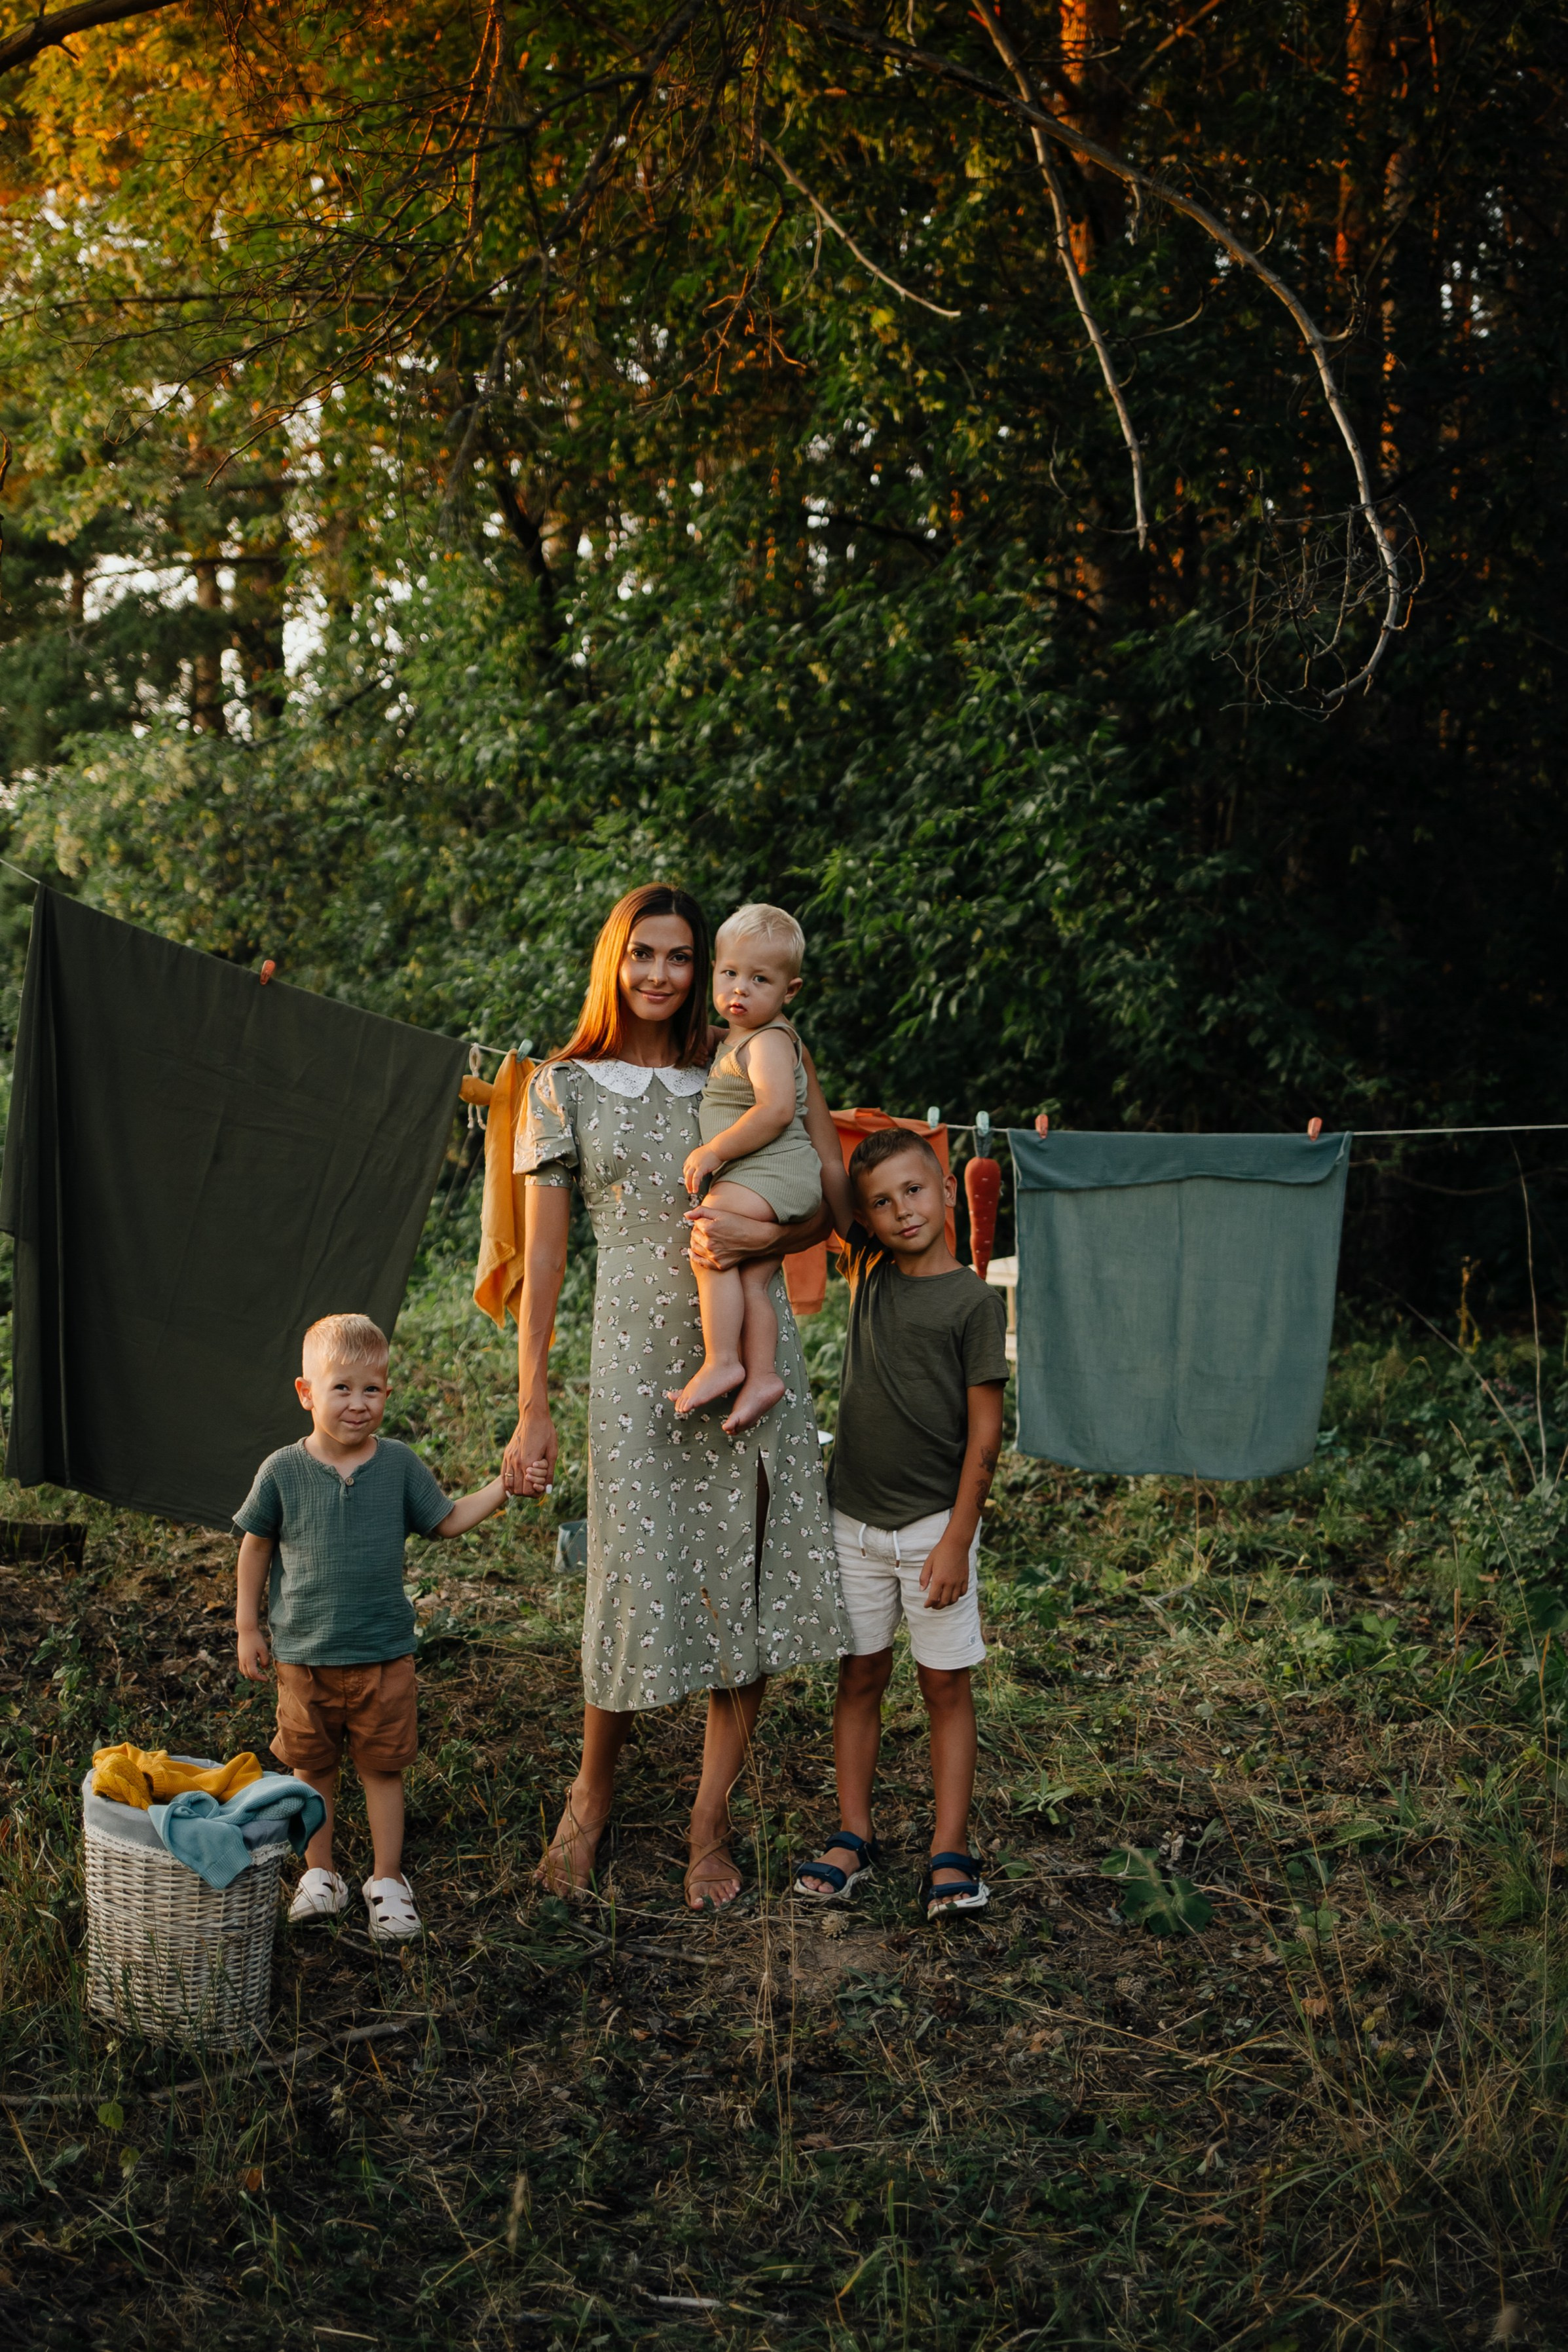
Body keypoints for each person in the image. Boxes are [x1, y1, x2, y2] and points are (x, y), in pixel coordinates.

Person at [501, 883, 849, 1909]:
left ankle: (710, 1823)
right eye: (642, 953)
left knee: (740, 1566)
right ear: (613, 959)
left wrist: (771, 1237)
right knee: (631, 1570)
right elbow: (546, 1260)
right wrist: (533, 1401)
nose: (662, 974)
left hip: (749, 1341)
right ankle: (591, 1796)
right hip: (634, 1361)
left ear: (711, 968)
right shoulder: (560, 1086)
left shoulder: (749, 1050)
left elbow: (831, 1186)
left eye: (683, 956)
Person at [234, 1312, 507, 1942]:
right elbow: (255, 1546)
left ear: (388, 1392)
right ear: (307, 1393)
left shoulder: (399, 1465)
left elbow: (445, 1519)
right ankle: (320, 1873)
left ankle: (387, 1879)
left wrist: (502, 1487)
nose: (359, 1404)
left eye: (373, 1389)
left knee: (383, 1768)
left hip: (384, 1655)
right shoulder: (283, 1470)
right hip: (303, 1657)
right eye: (342, 1387)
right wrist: (249, 1626)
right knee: (313, 1769)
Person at [793, 1129, 1008, 1918]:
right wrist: (781, 1042)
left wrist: (957, 1539)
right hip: (851, 1522)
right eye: (881, 1202)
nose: (899, 1211)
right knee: (860, 1676)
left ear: (947, 1191)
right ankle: (855, 1835)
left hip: (932, 1532)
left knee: (945, 1687)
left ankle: (950, 1848)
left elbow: (985, 1434)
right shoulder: (870, 1267)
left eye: (914, 1191)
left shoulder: (973, 1302)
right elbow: (824, 1164)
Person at [670, 904, 851, 1434]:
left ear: (789, 991)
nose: (739, 990)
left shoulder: (770, 1039)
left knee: (712, 1233)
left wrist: (716, 1150)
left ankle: (723, 1359)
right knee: (752, 1281)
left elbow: (774, 1110)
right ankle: (763, 1375)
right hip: (773, 1175)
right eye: (729, 974)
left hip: (775, 1169)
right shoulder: (734, 1037)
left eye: (759, 979)